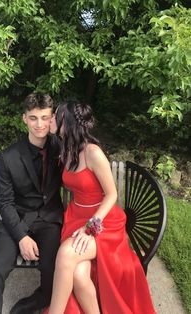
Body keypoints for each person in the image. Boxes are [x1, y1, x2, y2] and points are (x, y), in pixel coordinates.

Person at [44, 101, 156, 314]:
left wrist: (90, 229)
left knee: (66, 255)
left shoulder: (93, 152)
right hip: (76, 216)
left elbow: (112, 194)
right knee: (78, 274)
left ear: (65, 123)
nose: (50, 119)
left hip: (102, 221)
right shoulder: (64, 148)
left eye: (54, 116)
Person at [0, 93, 64, 314]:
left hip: (49, 220)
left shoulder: (63, 150)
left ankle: (33, 303)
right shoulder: (8, 157)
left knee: (54, 269)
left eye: (45, 118)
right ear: (24, 118)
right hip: (17, 219)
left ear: (52, 118)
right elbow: (5, 203)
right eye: (34, 118)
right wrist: (21, 237)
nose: (40, 124)